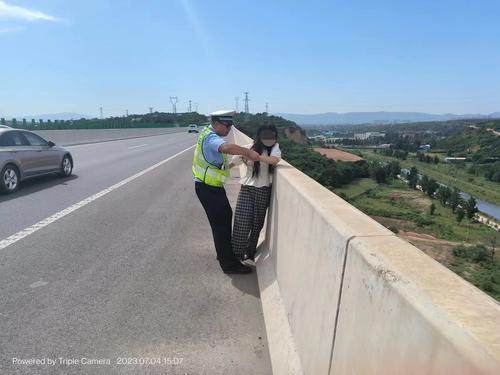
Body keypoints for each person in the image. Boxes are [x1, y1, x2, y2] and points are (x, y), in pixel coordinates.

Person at [193, 110, 260, 274]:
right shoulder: (211, 137)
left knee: (222, 222)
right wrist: (248, 152)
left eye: (231, 125)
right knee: (221, 225)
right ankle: (229, 264)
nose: (229, 128)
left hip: (209, 186)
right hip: (208, 188)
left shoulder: (207, 133)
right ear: (216, 123)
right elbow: (226, 147)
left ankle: (223, 255)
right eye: (227, 124)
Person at [230, 124, 281, 262]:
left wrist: (257, 157)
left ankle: (250, 252)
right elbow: (234, 161)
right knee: (242, 219)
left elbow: (275, 160)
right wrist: (225, 168)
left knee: (256, 223)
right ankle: (236, 253)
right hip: (247, 187)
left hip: (263, 189)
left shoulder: (274, 148)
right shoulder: (249, 147)